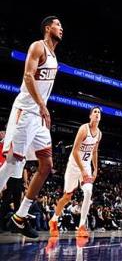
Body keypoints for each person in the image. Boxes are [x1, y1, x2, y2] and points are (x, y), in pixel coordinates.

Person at [0, 16, 62, 238]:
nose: (61, 28)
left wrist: (42, 108)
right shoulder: (38, 46)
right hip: (26, 111)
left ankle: (19, 217)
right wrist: (42, 106)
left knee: (46, 165)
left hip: (38, 116)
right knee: (12, 163)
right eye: (58, 24)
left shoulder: (54, 55)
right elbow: (28, 76)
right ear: (47, 28)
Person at [49, 107, 102, 238]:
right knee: (67, 197)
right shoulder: (84, 129)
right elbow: (74, 151)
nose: (97, 114)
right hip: (74, 166)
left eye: (99, 112)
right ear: (90, 116)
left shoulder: (99, 134)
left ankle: (82, 226)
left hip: (86, 166)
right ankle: (54, 219)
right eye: (95, 112)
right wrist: (82, 170)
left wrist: (95, 168)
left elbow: (94, 151)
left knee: (88, 192)